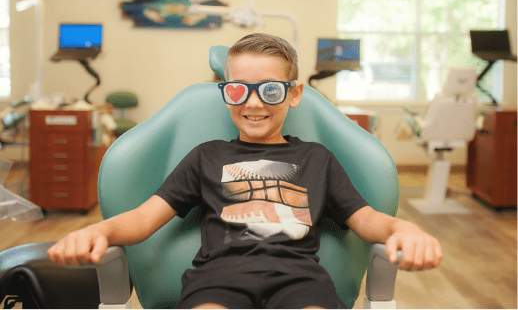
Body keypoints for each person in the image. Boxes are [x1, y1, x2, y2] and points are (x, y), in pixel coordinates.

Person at [47, 33, 443, 309]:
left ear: (294, 93)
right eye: (238, 90)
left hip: (300, 278)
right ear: (226, 93)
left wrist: (403, 229)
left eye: (270, 90)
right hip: (218, 277)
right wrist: (96, 231)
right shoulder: (206, 156)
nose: (254, 103)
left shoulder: (316, 159)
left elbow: (367, 219)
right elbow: (143, 218)